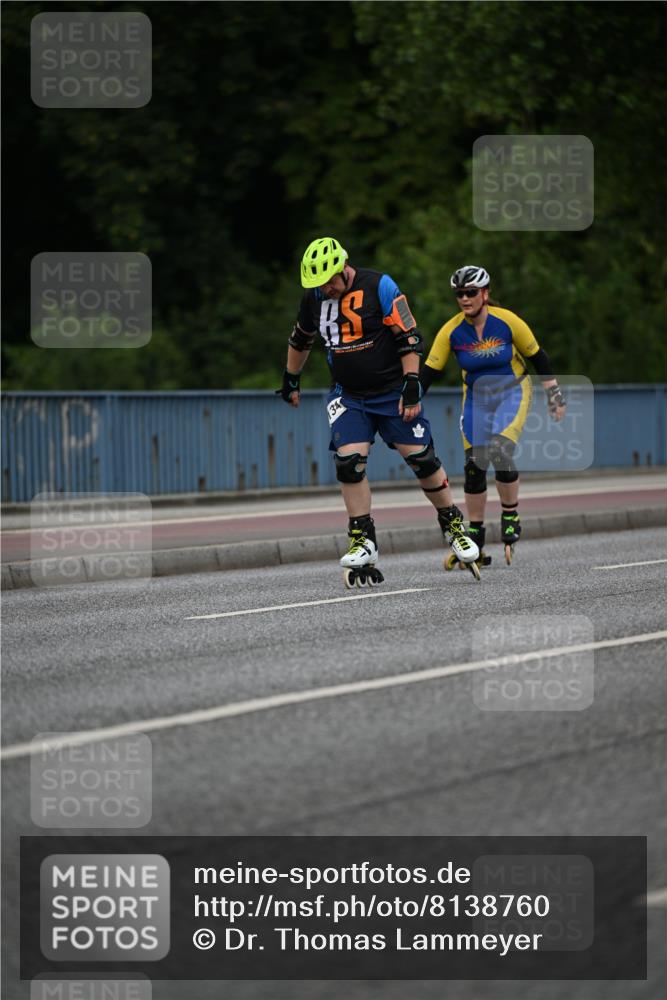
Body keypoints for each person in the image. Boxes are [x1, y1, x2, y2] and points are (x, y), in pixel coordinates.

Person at [276, 237, 480, 586]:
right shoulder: (313, 298)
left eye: (327, 282)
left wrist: (412, 381)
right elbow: (301, 339)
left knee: (422, 460)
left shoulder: (379, 286)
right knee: (348, 462)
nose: (324, 290)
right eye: (317, 285)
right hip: (348, 395)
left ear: (342, 269)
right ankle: (362, 539)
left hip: (391, 392)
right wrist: (291, 378)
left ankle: (454, 525)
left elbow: (409, 336)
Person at [420, 265, 566, 565]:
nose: (464, 298)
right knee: (475, 464)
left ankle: (510, 515)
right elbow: (428, 372)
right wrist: (408, 403)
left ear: (485, 294)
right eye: (459, 293)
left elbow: (539, 357)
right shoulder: (451, 331)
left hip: (513, 391)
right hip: (476, 398)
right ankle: (475, 532)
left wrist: (554, 395)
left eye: (471, 292)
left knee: (499, 450)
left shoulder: (508, 321)